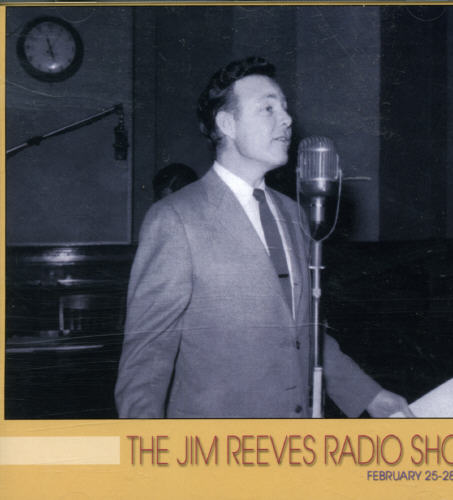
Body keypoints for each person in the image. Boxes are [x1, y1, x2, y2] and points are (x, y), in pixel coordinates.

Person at [115, 56, 413, 418]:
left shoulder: (294, 214)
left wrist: (369, 396)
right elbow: (145, 361)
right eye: (268, 108)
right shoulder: (176, 218)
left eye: (284, 108)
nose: (287, 119)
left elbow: (303, 332)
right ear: (227, 123)